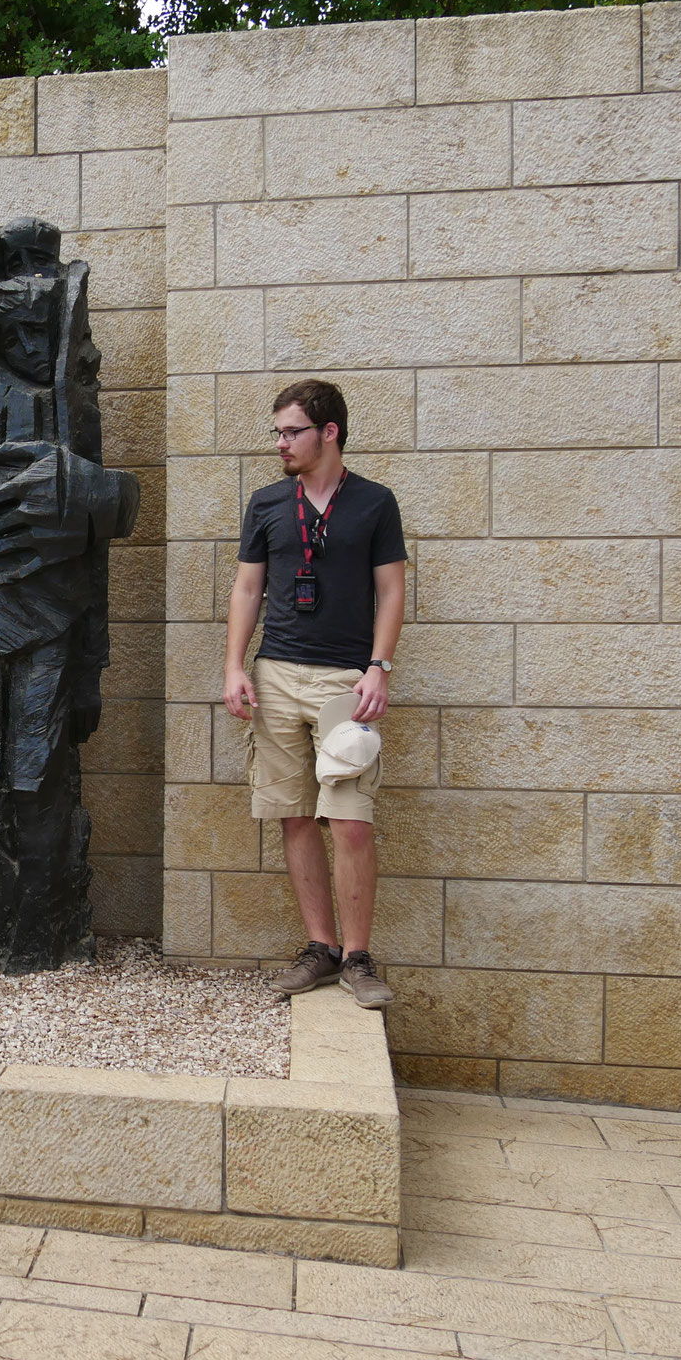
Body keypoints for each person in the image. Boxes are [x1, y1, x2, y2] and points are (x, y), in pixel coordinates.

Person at [224, 379, 406, 1008]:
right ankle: (321, 949)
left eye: (291, 431)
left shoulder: (375, 503)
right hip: (276, 674)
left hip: (344, 683)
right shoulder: (268, 503)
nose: (281, 443)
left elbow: (391, 591)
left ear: (329, 432)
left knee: (350, 821)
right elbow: (248, 590)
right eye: (277, 432)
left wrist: (379, 667)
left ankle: (359, 957)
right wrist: (235, 666)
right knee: (295, 815)